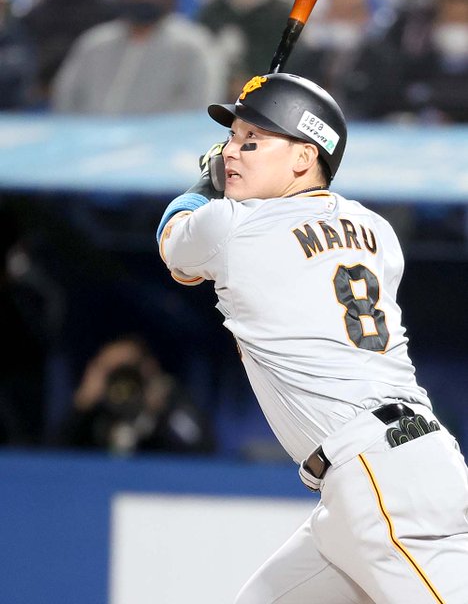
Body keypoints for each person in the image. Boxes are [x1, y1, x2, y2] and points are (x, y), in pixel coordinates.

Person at [156, 72, 468, 602]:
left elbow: (173, 244)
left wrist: (203, 186)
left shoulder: (230, 225)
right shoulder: (377, 229)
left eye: (252, 140)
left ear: (304, 158)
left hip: (378, 473)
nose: (230, 151)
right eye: (232, 137)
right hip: (393, 462)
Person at [52, 0, 223, 114]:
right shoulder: (94, 43)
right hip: (89, 133)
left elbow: (203, 103)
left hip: (165, 135)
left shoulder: (194, 46)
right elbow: (65, 99)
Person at [55, 335, 216, 455]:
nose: (122, 382)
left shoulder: (169, 401)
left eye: (128, 370)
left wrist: (160, 414)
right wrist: (81, 406)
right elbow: (52, 458)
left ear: (149, 367)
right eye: (113, 372)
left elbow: (203, 448)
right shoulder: (93, 413)